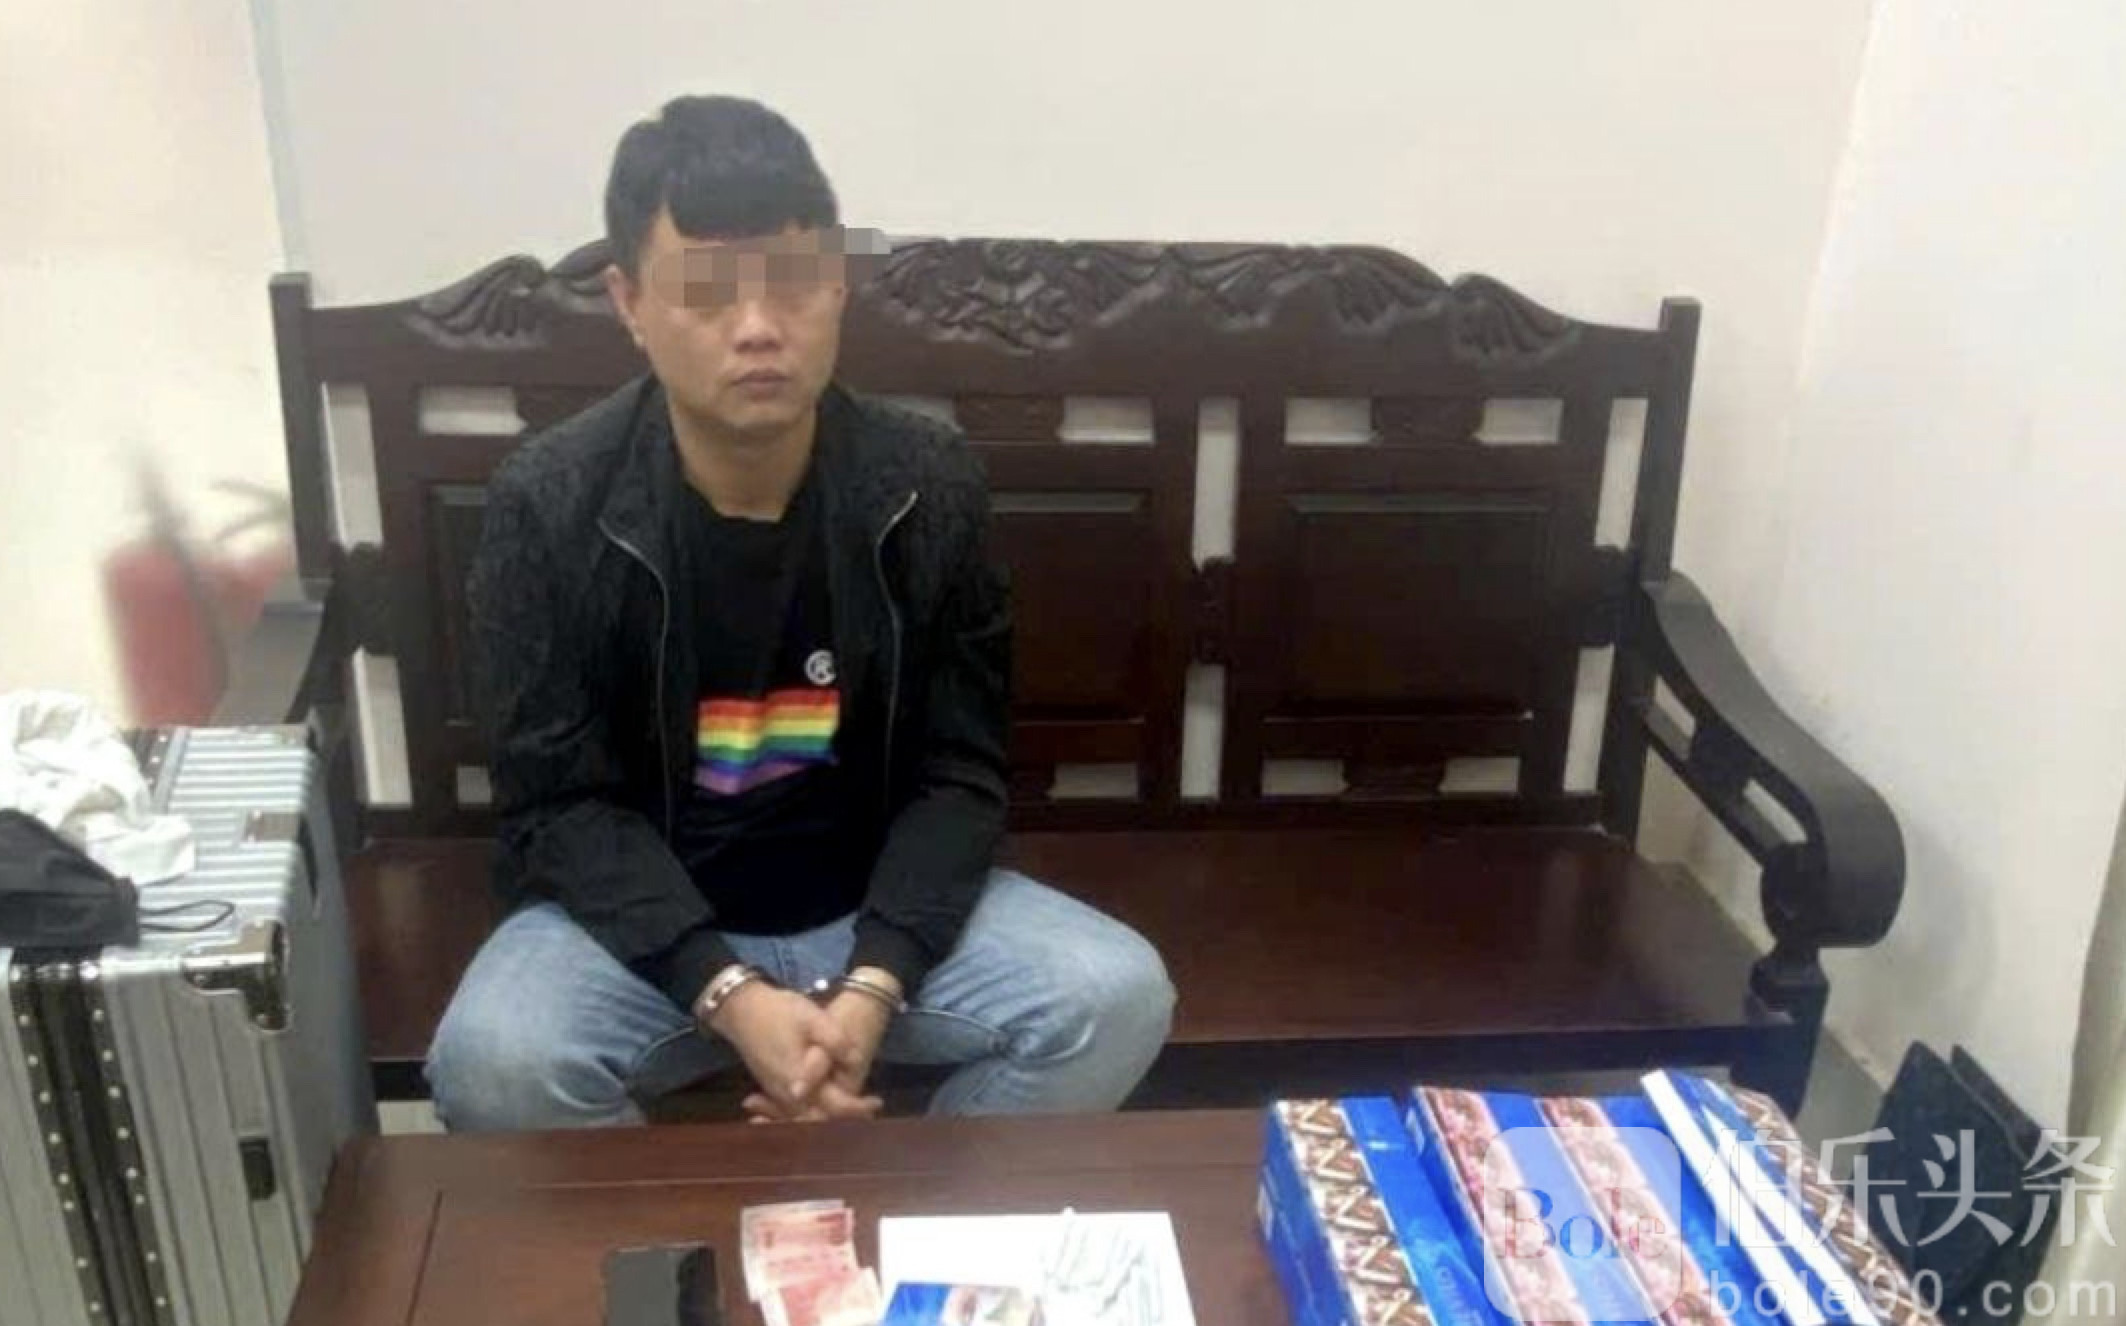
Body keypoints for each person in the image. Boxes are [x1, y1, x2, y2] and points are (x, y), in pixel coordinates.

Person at [424, 95, 1175, 1131]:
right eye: (706, 293)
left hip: (866, 914)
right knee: (494, 1064)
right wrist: (728, 993)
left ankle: (897, 1196)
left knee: (1113, 996)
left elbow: (959, 774)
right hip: (643, 943)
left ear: (836, 287)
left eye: (791, 283)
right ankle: (687, 1228)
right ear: (629, 302)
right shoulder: (548, 505)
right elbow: (559, 805)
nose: (757, 328)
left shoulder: (925, 484)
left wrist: (874, 985)